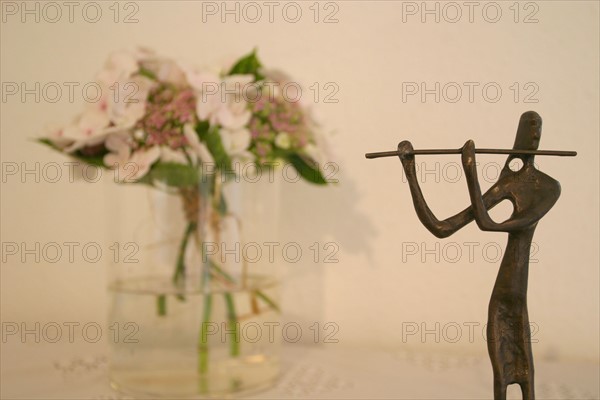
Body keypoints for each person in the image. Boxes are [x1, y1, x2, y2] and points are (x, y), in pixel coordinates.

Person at [397, 111, 561, 400]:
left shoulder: (548, 187)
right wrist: (410, 170)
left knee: (521, 370)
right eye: (528, 126)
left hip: (514, 290)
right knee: (503, 373)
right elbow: (441, 227)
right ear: (519, 135)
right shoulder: (507, 184)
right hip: (505, 291)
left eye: (537, 128)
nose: (534, 133)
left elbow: (490, 224)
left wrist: (470, 171)